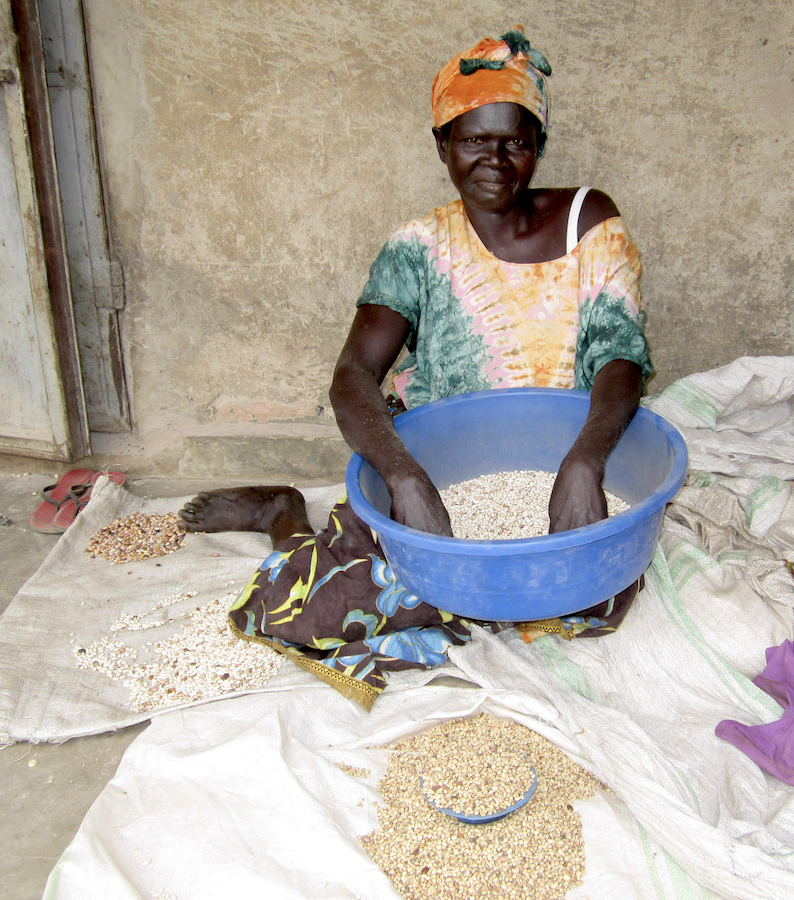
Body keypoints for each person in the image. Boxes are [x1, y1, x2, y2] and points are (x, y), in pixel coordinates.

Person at [180, 28, 654, 710]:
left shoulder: (590, 221)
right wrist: (406, 477)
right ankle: (284, 513)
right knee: (310, 610)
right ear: (442, 146)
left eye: (515, 141)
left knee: (593, 605)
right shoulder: (417, 249)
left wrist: (584, 464)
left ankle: (482, 584)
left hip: (563, 455)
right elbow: (352, 376)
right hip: (445, 468)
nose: (495, 160)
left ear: (538, 147)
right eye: (472, 140)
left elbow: (619, 358)